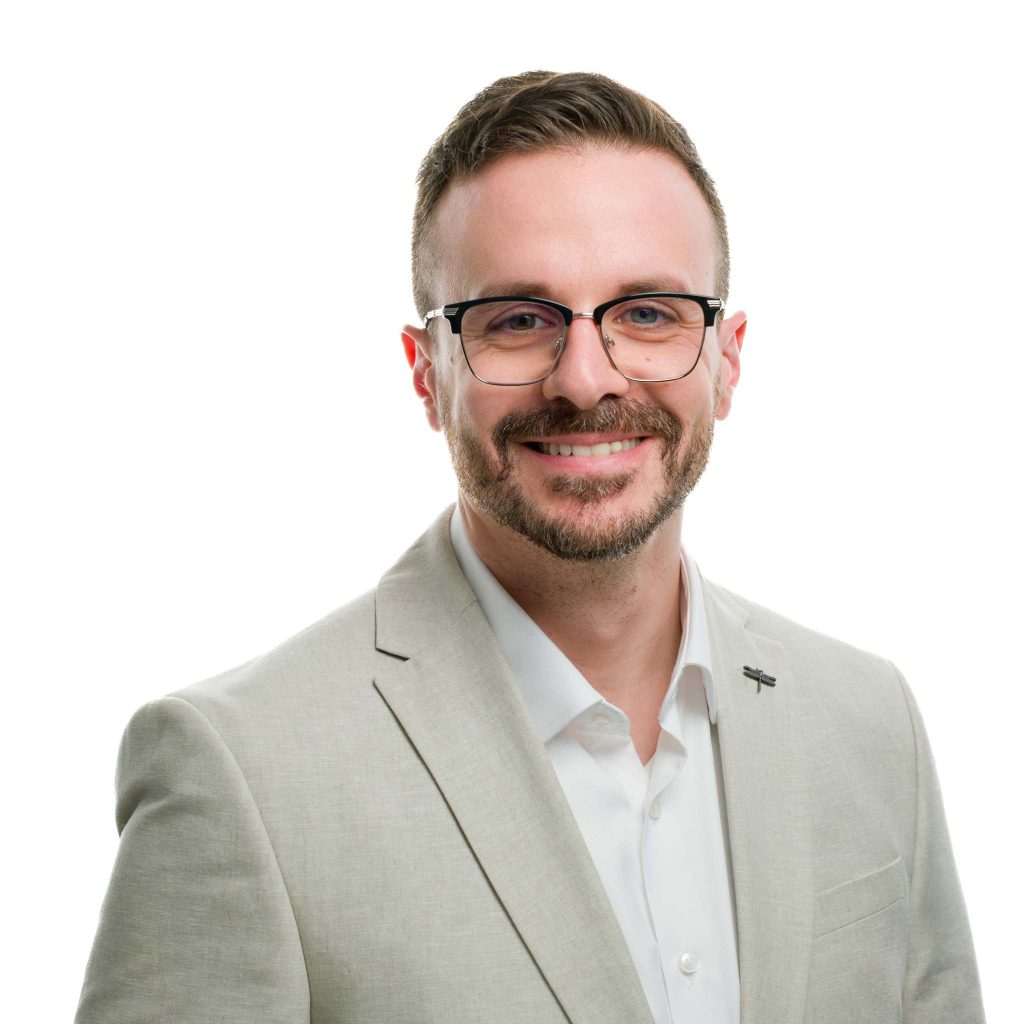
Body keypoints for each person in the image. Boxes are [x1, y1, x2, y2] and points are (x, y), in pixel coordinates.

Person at [75, 71, 985, 1024]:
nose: (587, 379)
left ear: (728, 360)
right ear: (426, 374)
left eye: (647, 312)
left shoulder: (870, 723)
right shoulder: (239, 771)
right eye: (517, 320)